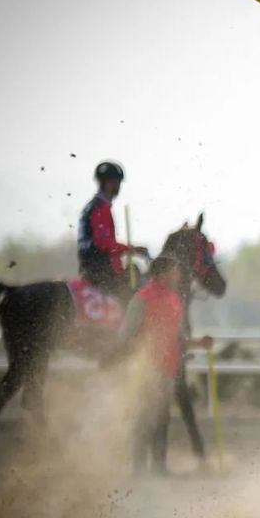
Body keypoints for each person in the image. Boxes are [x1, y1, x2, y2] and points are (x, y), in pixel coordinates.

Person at [111, 255, 211, 473]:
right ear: (163, 273)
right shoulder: (147, 298)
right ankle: (144, 467)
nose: (178, 275)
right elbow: (127, 336)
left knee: (157, 416)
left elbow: (175, 339)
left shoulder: (169, 299)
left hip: (165, 368)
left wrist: (198, 343)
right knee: (148, 416)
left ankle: (154, 467)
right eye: (174, 271)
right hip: (148, 369)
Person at [77, 161, 146, 298]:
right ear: (110, 183)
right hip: (103, 269)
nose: (118, 187)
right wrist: (131, 249)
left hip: (90, 266)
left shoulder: (93, 206)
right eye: (117, 183)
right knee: (135, 295)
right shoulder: (100, 208)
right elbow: (103, 243)